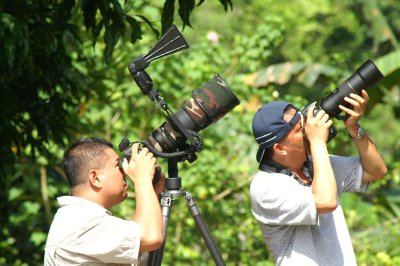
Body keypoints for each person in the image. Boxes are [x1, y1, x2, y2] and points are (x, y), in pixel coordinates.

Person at [250, 90, 387, 265]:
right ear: (279, 148)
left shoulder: (316, 166)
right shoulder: (265, 187)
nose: (309, 130)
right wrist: (317, 142)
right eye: (301, 129)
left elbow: (375, 171)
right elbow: (326, 201)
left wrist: (353, 127)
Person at [44, 137, 164, 265]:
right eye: (117, 165)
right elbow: (151, 237)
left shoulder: (78, 218)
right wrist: (142, 178)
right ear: (95, 178)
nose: (125, 171)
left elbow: (146, 251)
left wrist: (153, 195)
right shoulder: (81, 224)